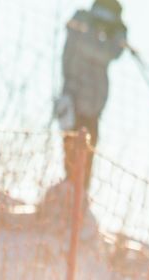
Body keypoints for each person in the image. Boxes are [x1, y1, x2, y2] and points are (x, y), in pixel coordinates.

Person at [57, 0, 128, 192]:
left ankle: (81, 194)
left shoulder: (108, 34)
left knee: (88, 156)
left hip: (94, 107)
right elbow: (95, 50)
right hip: (73, 99)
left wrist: (118, 33)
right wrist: (102, 32)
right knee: (72, 152)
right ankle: (70, 189)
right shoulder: (81, 22)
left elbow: (115, 53)